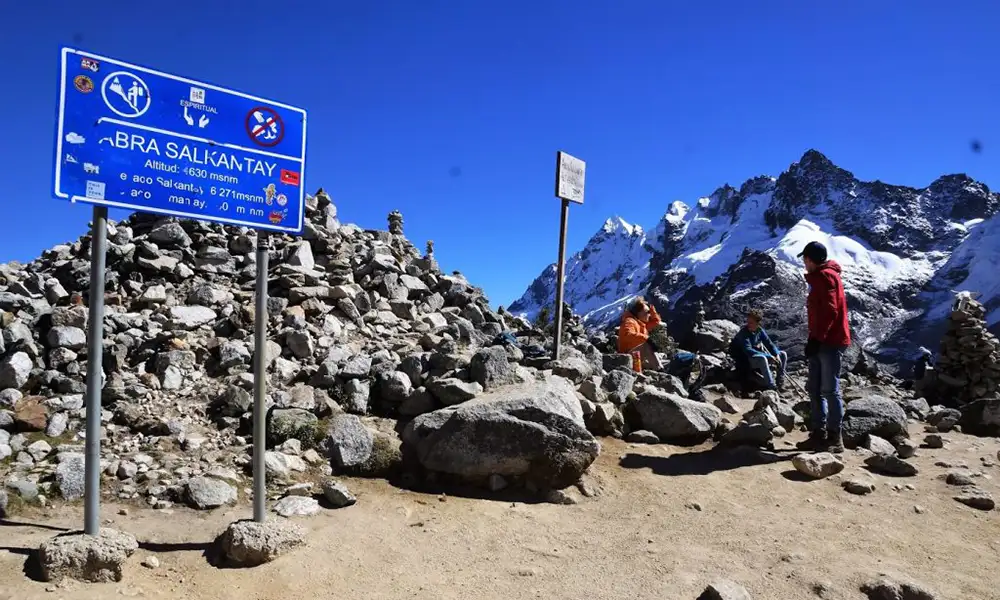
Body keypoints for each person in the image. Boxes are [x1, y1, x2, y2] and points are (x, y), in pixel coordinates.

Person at [796, 241, 851, 453]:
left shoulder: (826, 277)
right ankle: (818, 433)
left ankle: (835, 438)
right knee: (815, 388)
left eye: (806, 259)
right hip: (821, 340)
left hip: (830, 341)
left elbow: (829, 311)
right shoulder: (823, 276)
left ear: (812, 259)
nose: (804, 263)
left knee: (829, 390)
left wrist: (817, 339)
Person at [730, 309, 787, 391]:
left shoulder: (759, 331)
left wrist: (776, 354)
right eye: (748, 322)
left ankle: (780, 382)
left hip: (753, 356)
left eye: (751, 323)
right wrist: (769, 356)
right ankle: (772, 386)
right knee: (762, 359)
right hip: (744, 359)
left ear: (758, 323)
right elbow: (748, 350)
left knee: (783, 354)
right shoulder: (743, 333)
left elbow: (769, 344)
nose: (748, 324)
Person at [618, 298, 662, 371]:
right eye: (647, 312)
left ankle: (659, 369)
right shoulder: (629, 321)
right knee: (647, 346)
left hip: (637, 356)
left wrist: (651, 308)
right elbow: (627, 334)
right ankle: (660, 370)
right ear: (638, 313)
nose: (649, 314)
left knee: (662, 358)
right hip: (626, 358)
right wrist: (647, 339)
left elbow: (656, 321)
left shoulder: (641, 323)